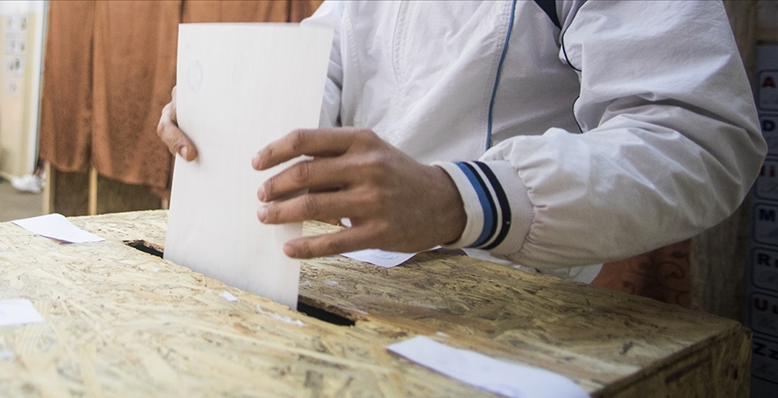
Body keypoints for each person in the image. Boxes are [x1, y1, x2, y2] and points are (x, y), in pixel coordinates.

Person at [158, 0, 766, 282]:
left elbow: (699, 136)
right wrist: (231, 104)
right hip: (362, 292)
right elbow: (326, 60)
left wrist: (457, 196)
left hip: (521, 318)